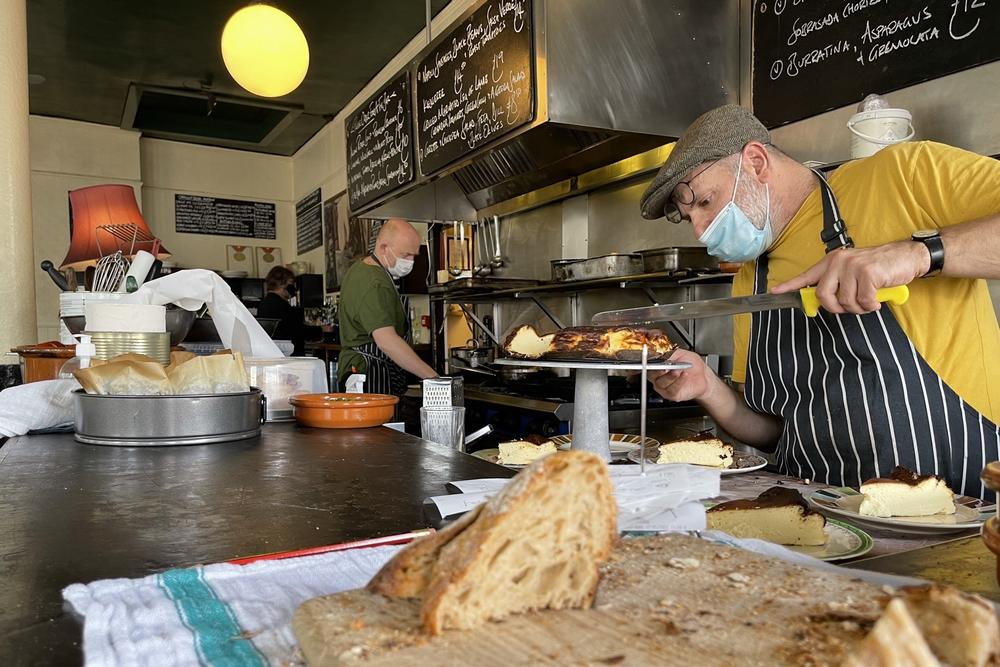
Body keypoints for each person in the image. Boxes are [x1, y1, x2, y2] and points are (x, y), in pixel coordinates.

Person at [638, 104, 1000, 499]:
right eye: (689, 217)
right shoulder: (749, 280)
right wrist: (707, 387)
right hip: (818, 523)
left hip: (954, 512)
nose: (702, 232)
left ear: (757, 162)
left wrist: (916, 255)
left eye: (704, 202)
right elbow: (775, 432)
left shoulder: (902, 175)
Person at [337, 218, 437, 395]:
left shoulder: (361, 270)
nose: (411, 261)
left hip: (361, 369)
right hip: (370, 371)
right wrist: (433, 378)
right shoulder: (374, 282)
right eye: (406, 255)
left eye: (414, 255)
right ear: (383, 247)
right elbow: (387, 341)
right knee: (380, 423)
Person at [258, 266, 325, 357]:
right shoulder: (281, 306)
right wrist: (321, 330)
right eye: (291, 283)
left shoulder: (263, 303)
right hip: (290, 357)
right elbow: (298, 330)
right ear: (281, 284)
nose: (293, 288)